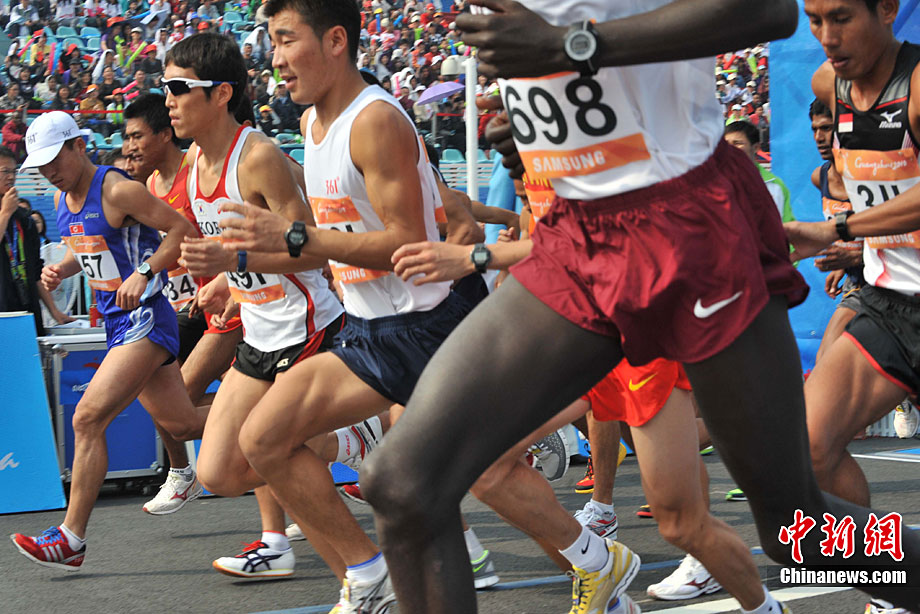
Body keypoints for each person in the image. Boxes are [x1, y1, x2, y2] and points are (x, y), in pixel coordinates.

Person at [356, 0, 919, 612]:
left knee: (793, 529)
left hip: (688, 226)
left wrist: (568, 48)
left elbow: (768, 10)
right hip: (576, 233)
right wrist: (539, 125)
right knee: (402, 481)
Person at [213, 1, 470, 608]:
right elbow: (329, 239)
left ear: (335, 41)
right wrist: (240, 267)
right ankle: (366, 574)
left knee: (475, 483)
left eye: (286, 40)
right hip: (367, 329)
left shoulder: (375, 120)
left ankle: (596, 557)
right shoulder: (310, 125)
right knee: (262, 441)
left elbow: (406, 244)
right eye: (271, 43)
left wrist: (293, 238)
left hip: (425, 327)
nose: (275, 60)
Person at [163, 32, 349, 580]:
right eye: (164, 87)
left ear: (221, 93)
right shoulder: (194, 161)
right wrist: (230, 282)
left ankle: (358, 565)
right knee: (219, 472)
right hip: (257, 333)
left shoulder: (259, 157)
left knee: (272, 449)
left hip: (306, 329)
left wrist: (230, 259)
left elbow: (314, 250)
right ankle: (346, 447)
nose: (168, 99)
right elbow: (240, 252)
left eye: (179, 88)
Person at [9, 111, 210, 571]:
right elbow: (90, 250)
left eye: (55, 158)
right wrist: (62, 268)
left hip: (146, 318)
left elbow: (181, 230)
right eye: (40, 165)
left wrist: (146, 271)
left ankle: (71, 538)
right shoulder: (61, 199)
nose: (49, 171)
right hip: (117, 324)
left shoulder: (118, 189)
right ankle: (287, 417)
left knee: (86, 418)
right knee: (182, 424)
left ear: (79, 146)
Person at [785, 4, 920, 612]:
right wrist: (858, 246)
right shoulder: (828, 84)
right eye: (814, 20)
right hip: (890, 303)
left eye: (840, 17)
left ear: (887, 9)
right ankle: (891, 588)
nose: (826, 37)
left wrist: (839, 229)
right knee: (808, 450)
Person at [120, 93, 244, 515]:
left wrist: (227, 280)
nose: (129, 147)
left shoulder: (197, 168)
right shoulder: (150, 187)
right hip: (192, 306)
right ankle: (182, 472)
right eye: (126, 138)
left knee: (183, 402)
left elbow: (221, 233)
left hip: (228, 301)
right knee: (159, 391)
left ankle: (289, 420)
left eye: (137, 136)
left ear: (164, 134)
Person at [0, 145, 71, 332]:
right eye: (5, 171)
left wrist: (54, 311)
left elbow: (35, 271)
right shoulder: (8, 213)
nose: (11, 177)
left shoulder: (24, 218)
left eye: (13, 171)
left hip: (26, 311)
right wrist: (5, 213)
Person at [724, 120, 794, 222]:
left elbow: (787, 225)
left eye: (737, 143)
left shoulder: (775, 186)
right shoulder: (712, 184)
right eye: (726, 144)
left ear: (756, 147)